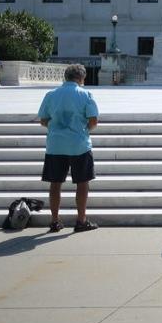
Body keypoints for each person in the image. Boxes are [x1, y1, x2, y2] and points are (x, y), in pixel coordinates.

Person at [37, 63, 99, 233]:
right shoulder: (86, 94)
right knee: (82, 183)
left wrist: (57, 128)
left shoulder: (51, 95)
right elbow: (93, 120)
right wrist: (84, 130)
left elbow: (43, 120)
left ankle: (55, 221)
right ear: (82, 78)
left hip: (55, 145)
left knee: (55, 184)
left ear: (65, 77)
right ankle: (81, 220)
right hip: (79, 144)